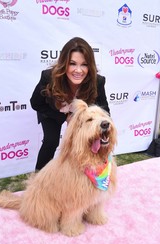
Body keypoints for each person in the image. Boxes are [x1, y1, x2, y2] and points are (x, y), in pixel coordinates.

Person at [30, 37, 110, 171]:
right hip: (52, 111)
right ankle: (38, 178)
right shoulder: (48, 77)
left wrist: (102, 129)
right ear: (64, 63)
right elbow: (35, 103)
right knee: (51, 141)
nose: (78, 70)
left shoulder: (97, 81)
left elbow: (105, 110)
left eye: (84, 64)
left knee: (83, 142)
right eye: (72, 63)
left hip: (81, 114)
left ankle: (80, 176)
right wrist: (63, 117)